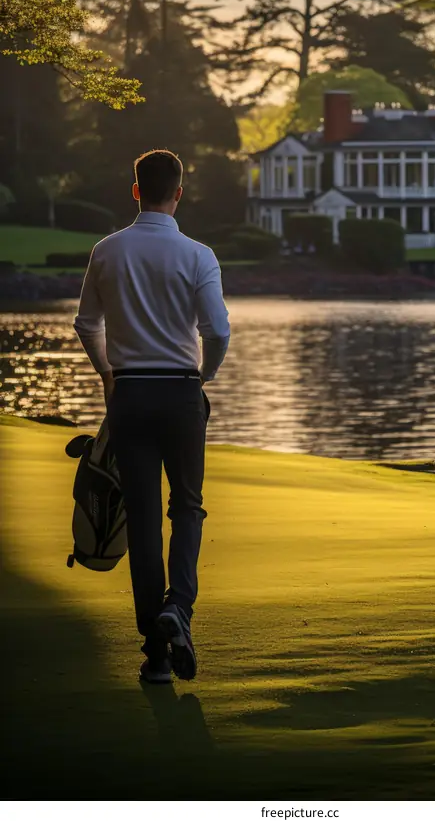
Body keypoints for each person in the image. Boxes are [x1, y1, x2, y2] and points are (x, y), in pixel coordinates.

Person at [74, 149, 230, 685]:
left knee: (140, 519)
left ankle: (157, 656)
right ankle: (177, 610)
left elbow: (85, 323)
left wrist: (106, 374)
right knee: (186, 507)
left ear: (135, 189)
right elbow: (219, 332)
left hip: (131, 394)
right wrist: (202, 378)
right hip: (182, 393)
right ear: (179, 193)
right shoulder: (198, 255)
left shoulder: (106, 251)